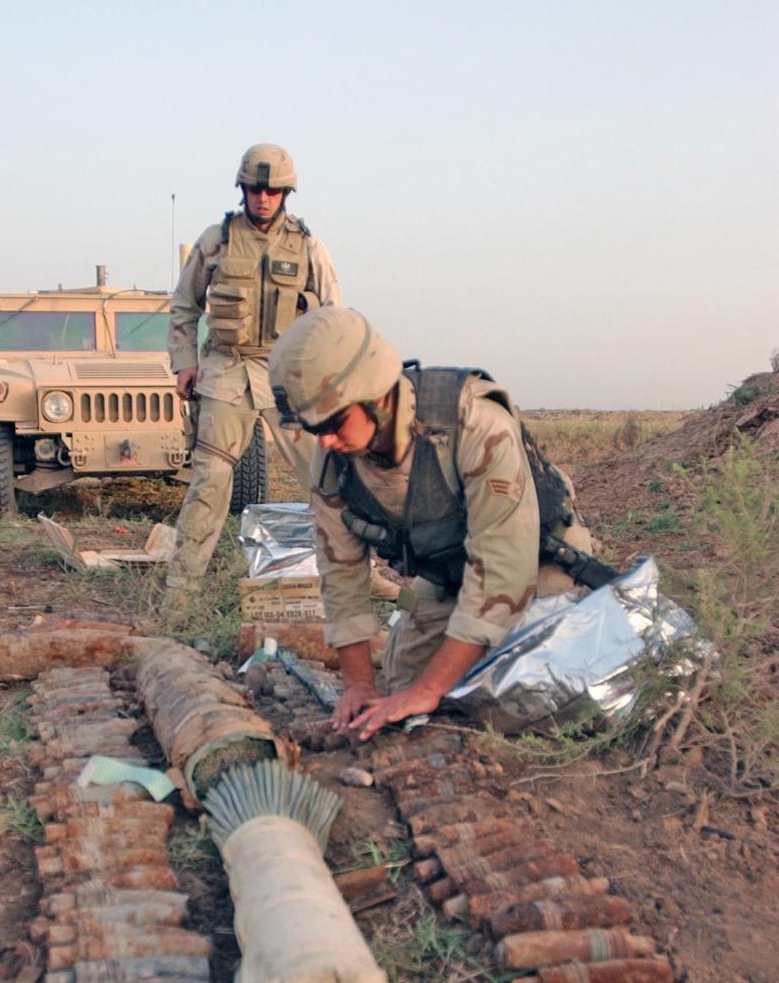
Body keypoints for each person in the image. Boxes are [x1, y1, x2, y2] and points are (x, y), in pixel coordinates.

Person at [268, 306, 599, 741]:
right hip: (448, 575)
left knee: (525, 699)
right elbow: (341, 571)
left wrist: (431, 688)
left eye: (333, 422)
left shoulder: (475, 426)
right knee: (400, 685)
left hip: (537, 565)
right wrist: (359, 685)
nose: (325, 440)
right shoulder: (333, 463)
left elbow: (503, 570)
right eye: (314, 429)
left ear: (377, 395)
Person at [165, 144, 340, 593]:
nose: (264, 198)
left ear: (287, 193)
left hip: (290, 378)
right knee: (209, 483)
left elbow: (334, 320)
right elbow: (184, 307)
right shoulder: (216, 240)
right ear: (243, 189)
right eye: (255, 188)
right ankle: (181, 594)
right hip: (227, 372)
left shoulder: (309, 246)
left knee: (327, 483)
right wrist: (185, 364)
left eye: (274, 190)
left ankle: (350, 582)